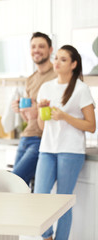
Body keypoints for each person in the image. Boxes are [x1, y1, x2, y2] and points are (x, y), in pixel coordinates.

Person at [35, 45, 96, 240]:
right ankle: (47, 236)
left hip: (70, 151)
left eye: (63, 59)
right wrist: (42, 111)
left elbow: (91, 125)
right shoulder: (46, 87)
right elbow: (42, 126)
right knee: (39, 196)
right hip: (47, 148)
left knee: (63, 201)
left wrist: (64, 116)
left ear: (73, 64)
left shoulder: (81, 89)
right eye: (56, 58)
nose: (57, 62)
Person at [11, 32, 57, 186]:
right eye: (33, 46)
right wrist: (21, 109)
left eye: (41, 46)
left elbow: (60, 108)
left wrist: (37, 109)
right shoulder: (30, 79)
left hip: (41, 138)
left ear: (50, 50)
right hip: (26, 137)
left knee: (15, 182)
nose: (37, 50)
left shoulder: (57, 75)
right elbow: (28, 118)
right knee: (20, 187)